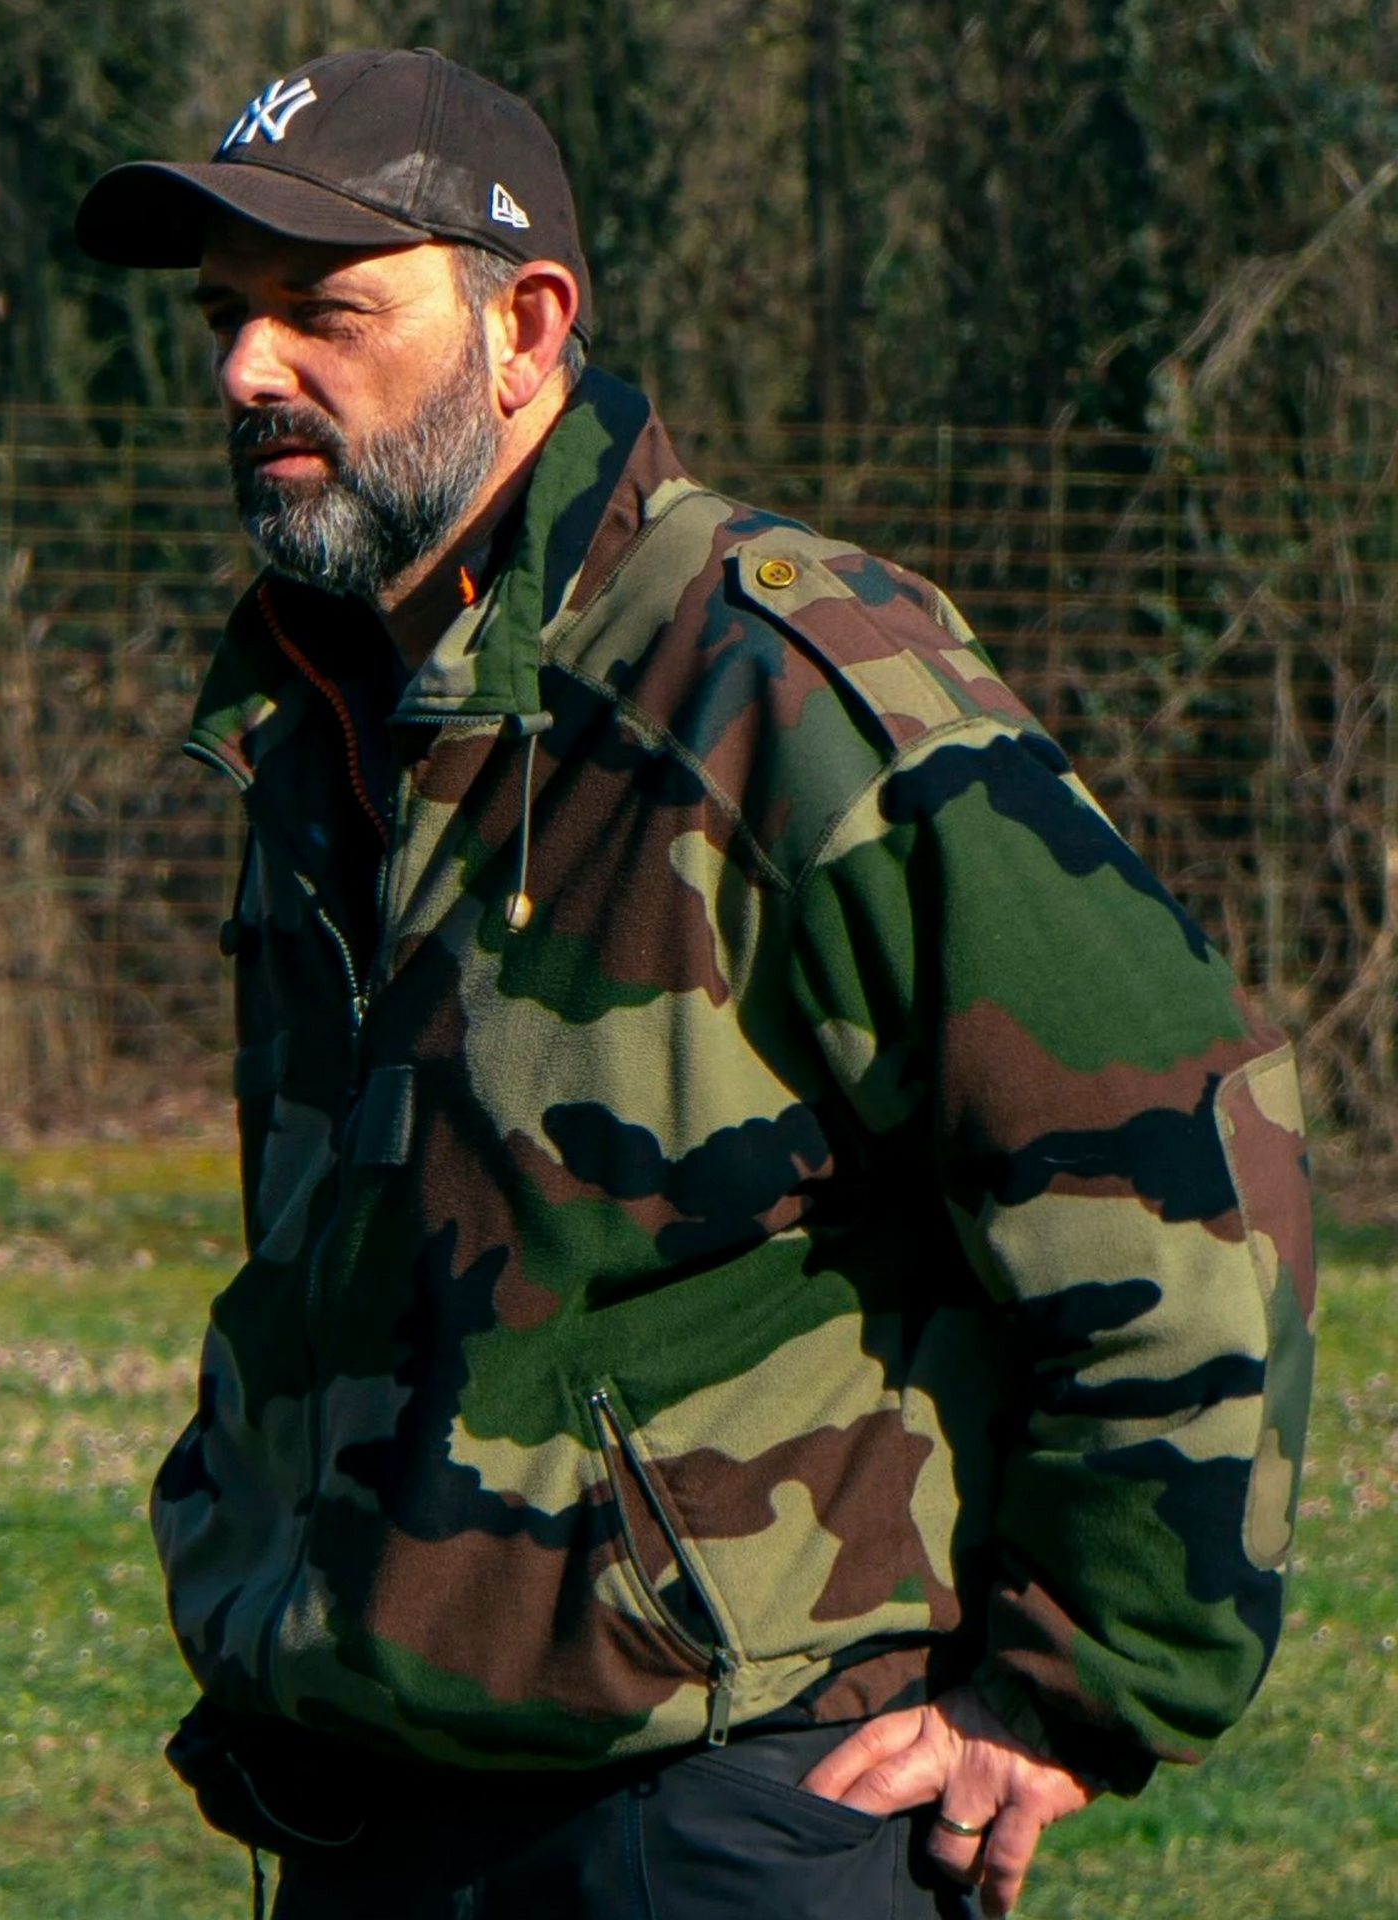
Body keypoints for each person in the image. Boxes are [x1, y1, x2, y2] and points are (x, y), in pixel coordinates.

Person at [76, 47, 1316, 1920]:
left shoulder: (785, 677)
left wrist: (1071, 1693)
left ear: (527, 326)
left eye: (323, 309)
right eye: (226, 318)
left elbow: (1180, 1163)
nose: (250, 372)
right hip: (371, 1805)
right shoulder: (328, 709)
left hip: (722, 1817)